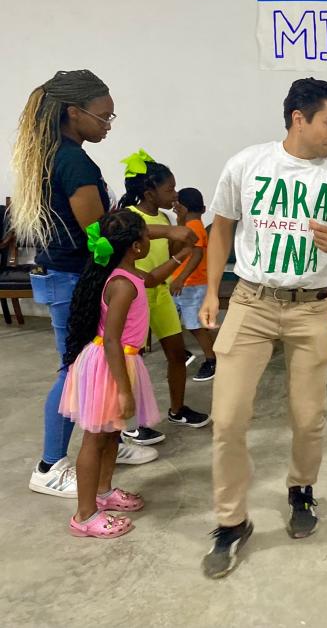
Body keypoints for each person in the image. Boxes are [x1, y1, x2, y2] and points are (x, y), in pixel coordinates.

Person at [198, 78, 327, 578]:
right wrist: (213, 291)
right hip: (252, 302)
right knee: (229, 418)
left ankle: (302, 489)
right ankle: (232, 522)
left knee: (308, 417)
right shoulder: (247, 164)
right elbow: (221, 229)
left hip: (311, 307)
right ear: (298, 118)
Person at [10, 70, 191, 497]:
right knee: (75, 368)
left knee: (93, 366)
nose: (109, 125)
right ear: (75, 113)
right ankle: (51, 464)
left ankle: (105, 433)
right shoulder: (72, 160)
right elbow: (101, 232)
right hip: (72, 276)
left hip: (72, 273)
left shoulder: (61, 153)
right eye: (104, 117)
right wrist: (166, 234)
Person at [58, 211, 191, 537]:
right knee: (94, 439)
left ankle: (103, 492)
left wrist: (180, 256)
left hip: (119, 362)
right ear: (136, 246)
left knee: (111, 433)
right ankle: (84, 515)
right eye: (146, 236)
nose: (150, 239)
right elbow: (113, 340)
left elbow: (152, 279)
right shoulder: (121, 285)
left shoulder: (126, 273)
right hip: (110, 363)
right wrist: (123, 390)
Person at [118, 152, 210, 443]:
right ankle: (130, 423)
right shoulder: (132, 219)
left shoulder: (166, 217)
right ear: (149, 192)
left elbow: (171, 254)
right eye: (169, 189)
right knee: (132, 360)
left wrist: (181, 229)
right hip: (134, 299)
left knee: (176, 353)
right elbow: (141, 267)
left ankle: (177, 409)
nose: (174, 195)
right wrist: (179, 252)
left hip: (160, 296)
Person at [170, 187, 216, 382]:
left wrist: (181, 278)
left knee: (196, 326)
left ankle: (211, 359)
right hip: (185, 285)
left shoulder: (194, 226)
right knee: (177, 322)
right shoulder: (190, 225)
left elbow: (196, 254)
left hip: (192, 285)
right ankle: (184, 353)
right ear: (204, 208)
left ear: (179, 206)